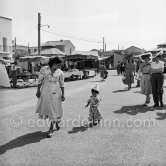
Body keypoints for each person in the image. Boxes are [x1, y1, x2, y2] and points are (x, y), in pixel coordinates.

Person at [35, 57, 65, 138]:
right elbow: (40, 81)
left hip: (56, 92)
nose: (60, 67)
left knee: (55, 108)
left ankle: (51, 129)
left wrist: (63, 94)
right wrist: (38, 91)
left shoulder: (60, 72)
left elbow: (62, 84)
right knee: (49, 109)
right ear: (54, 63)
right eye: (59, 65)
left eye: (60, 65)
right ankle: (56, 123)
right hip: (46, 91)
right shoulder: (44, 69)